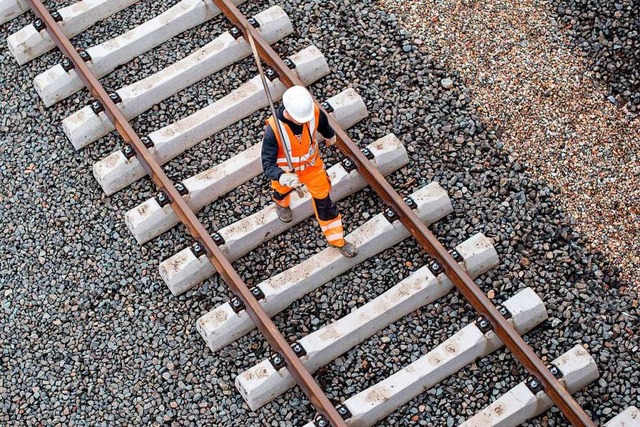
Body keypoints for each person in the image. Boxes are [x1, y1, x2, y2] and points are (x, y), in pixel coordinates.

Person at [261, 86, 357, 258]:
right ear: (288, 112)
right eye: (299, 119)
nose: (303, 121)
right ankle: (281, 203)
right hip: (287, 173)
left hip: (312, 168)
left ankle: (337, 240)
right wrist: (282, 176)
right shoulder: (274, 130)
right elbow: (267, 165)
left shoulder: (312, 112)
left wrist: (329, 135)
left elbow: (322, 123)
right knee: (281, 191)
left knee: (325, 202)